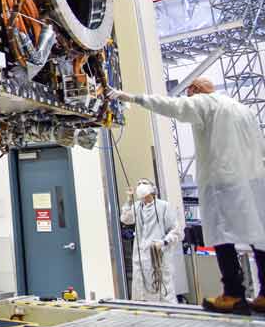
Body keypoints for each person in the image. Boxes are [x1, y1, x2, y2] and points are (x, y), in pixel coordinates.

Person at [110, 78, 265, 314]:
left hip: (223, 181)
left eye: (189, 92)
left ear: (193, 90)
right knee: (259, 235)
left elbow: (173, 107)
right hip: (253, 180)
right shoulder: (242, 109)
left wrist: (133, 98)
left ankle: (233, 294)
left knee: (222, 236)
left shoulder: (205, 103)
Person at [120, 178, 181, 303]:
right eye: (139, 183)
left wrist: (163, 242)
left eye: (144, 183)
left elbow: (176, 231)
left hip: (159, 257)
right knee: (140, 292)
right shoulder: (136, 207)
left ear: (153, 189)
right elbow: (125, 219)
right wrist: (129, 200)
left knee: (164, 291)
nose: (141, 185)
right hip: (141, 257)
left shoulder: (163, 206)